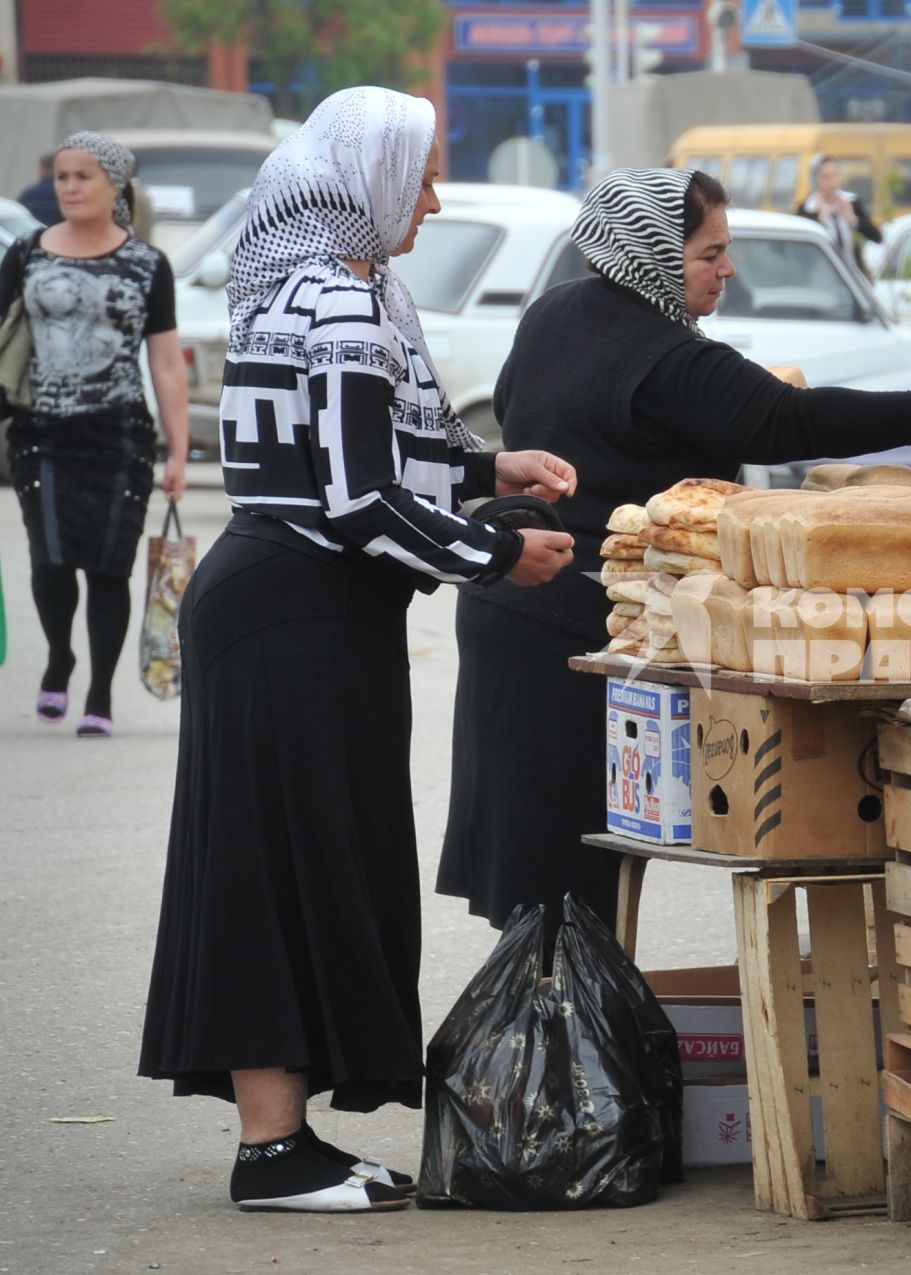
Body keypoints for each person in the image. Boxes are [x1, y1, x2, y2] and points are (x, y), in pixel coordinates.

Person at [138, 87, 579, 1213]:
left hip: (300, 610)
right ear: (364, 178)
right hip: (295, 612)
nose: (431, 200)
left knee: (306, 858)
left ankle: (289, 1140)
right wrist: (495, 557)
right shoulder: (333, 297)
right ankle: (273, 1152)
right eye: (421, 177)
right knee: (279, 870)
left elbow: (380, 442)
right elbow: (362, 497)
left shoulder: (324, 287)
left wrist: (492, 470)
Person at [437, 167, 911, 949]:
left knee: (539, 873)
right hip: (571, 622)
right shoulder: (664, 356)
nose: (727, 269)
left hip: (509, 604)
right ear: (649, 255)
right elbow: (786, 421)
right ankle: (561, 1046)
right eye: (709, 253)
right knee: (567, 869)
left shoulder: (556, 313)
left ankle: (557, 1039)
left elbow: (513, 406)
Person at [2, 132, 188, 737]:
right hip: (41, 432)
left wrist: (178, 449)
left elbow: (163, 361)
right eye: (62, 177)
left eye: (83, 177)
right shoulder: (27, 253)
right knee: (51, 560)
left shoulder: (146, 264)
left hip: (120, 437)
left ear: (114, 186)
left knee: (110, 568)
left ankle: (100, 696)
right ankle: (60, 658)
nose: (71, 188)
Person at [795, 153, 883, 279]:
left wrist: (853, 219)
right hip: (822, 281)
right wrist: (822, 221)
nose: (832, 182)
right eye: (825, 177)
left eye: (835, 175)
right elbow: (801, 252)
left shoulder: (851, 202)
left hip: (853, 279)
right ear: (815, 179)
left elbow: (877, 236)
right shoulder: (807, 209)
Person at [16, 154, 59, 225]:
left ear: (44, 170)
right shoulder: (65, 195)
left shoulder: (30, 193)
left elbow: (15, 213)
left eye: (40, 169)